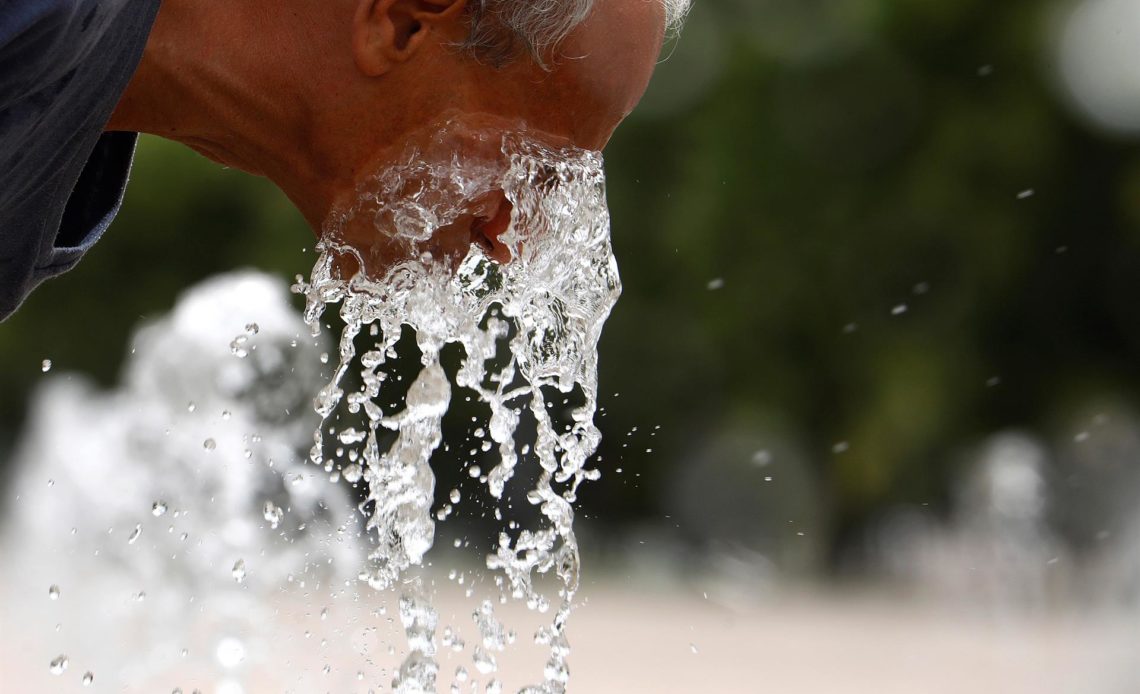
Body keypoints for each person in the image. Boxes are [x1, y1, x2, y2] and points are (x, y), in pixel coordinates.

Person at [0, 0, 689, 320]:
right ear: (402, 22)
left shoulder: (67, 146)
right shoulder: (40, 24)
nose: (512, 237)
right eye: (529, 165)